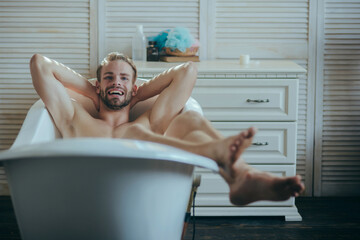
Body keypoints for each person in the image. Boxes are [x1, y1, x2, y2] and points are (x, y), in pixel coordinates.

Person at [30, 52, 304, 206]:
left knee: (189, 121)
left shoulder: (148, 120)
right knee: (138, 135)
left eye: (124, 78)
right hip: (83, 194)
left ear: (134, 87)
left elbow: (186, 71)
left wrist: (136, 95)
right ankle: (221, 158)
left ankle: (242, 176)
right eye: (109, 78)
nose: (117, 82)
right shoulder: (74, 117)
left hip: (144, 196)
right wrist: (91, 91)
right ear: (98, 85)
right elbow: (40, 64)